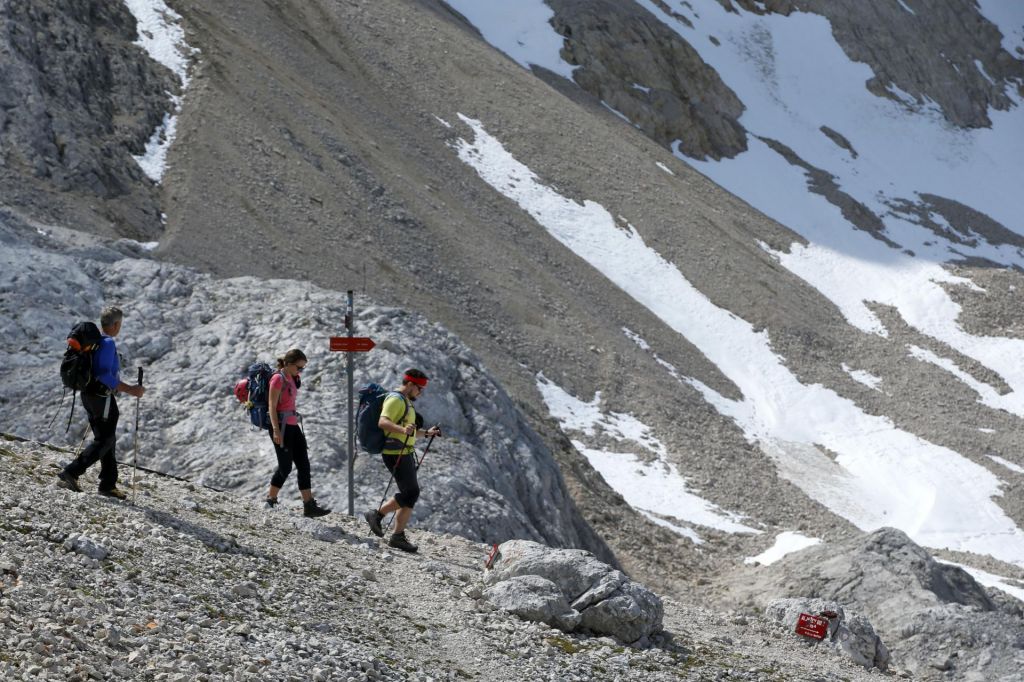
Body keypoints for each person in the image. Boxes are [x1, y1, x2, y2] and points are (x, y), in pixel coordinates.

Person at [57, 306, 145, 498]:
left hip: (90, 395)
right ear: (116, 324)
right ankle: (71, 472)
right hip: (101, 397)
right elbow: (104, 374)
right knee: (105, 439)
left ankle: (108, 483)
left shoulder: (95, 342)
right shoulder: (106, 343)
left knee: (107, 437)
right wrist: (131, 389)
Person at [363, 368, 441, 552]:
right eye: (420, 388)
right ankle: (377, 515)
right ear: (411, 384)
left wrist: (427, 433)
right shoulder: (395, 399)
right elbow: (383, 422)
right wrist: (403, 430)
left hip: (403, 451)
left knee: (410, 494)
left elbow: (408, 430)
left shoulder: (406, 402)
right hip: (394, 452)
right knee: (411, 492)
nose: (421, 392)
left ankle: (397, 535)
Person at [265, 348, 331, 518]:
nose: (300, 371)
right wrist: (276, 430)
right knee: (285, 466)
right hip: (281, 427)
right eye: (298, 367)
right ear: (288, 364)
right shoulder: (277, 380)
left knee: (304, 464)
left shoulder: (292, 378)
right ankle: (270, 499)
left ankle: (309, 505)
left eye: (302, 368)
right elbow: (271, 407)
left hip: (294, 426)